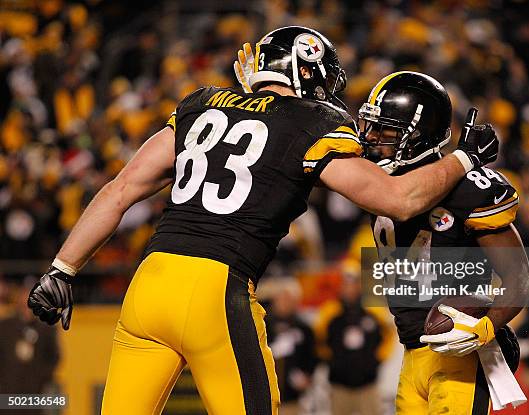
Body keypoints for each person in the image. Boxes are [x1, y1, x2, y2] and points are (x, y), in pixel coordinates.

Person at [27, 27, 499, 415]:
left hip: (148, 284)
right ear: (309, 76)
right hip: (215, 287)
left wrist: (62, 269)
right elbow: (397, 199)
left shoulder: (201, 104)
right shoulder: (312, 123)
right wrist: (464, 156)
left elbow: (121, 189)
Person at [360, 71, 529, 414]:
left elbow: (520, 279)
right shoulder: (374, 182)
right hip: (411, 353)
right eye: (372, 127)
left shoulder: (469, 189)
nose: (373, 139)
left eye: (387, 130)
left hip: (458, 356)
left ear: (419, 136)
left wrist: (484, 326)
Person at [314, 262, 395, 415]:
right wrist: (331, 360)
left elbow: (389, 335)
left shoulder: (374, 309)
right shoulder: (329, 311)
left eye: (354, 282)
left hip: (368, 384)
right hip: (339, 385)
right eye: (346, 283)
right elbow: (318, 340)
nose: (350, 287)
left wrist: (377, 359)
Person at [0, 277, 60, 415]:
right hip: (7, 393)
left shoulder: (46, 328)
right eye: (26, 293)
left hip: (34, 395)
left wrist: (40, 377)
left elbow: (54, 358)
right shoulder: (5, 326)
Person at [266, 281, 317, 415]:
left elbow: (312, 355)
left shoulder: (303, 328)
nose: (284, 303)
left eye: (289, 299)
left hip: (292, 397)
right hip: (265, 396)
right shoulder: (263, 324)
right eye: (282, 298)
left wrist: (307, 376)